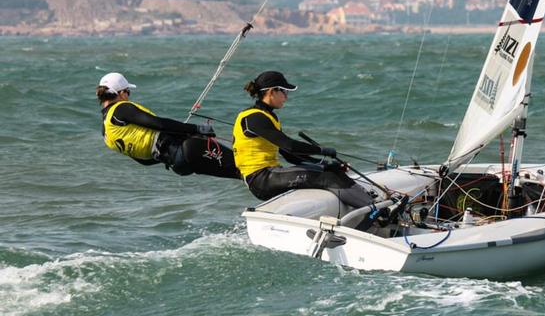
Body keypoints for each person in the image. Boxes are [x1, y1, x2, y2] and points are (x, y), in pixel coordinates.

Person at [232, 70, 373, 207]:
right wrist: (322, 150)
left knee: (332, 171)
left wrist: (323, 164)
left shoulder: (268, 116)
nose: (286, 97)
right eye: (284, 92)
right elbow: (290, 146)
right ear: (271, 91)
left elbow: (289, 155)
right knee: (327, 178)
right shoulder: (254, 117)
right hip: (260, 179)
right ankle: (375, 211)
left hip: (270, 174)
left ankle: (372, 202)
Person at [97, 72, 239, 179]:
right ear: (121, 93)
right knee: (244, 165)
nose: (128, 95)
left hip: (178, 165)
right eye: (128, 91)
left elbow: (144, 161)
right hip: (187, 149)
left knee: (239, 173)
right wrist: (196, 129)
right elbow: (159, 124)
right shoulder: (121, 109)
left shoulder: (106, 132)